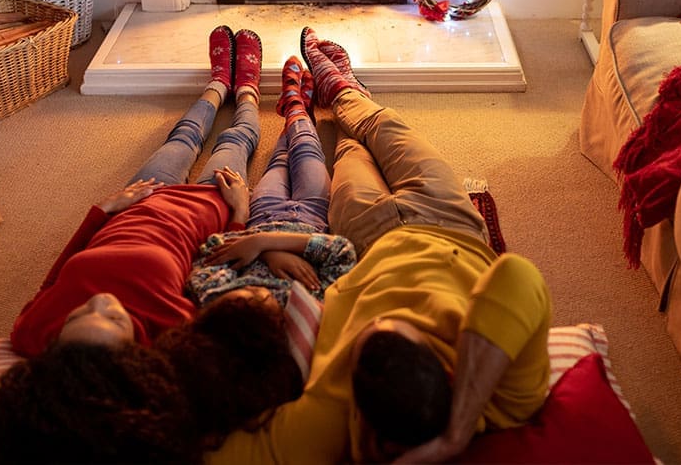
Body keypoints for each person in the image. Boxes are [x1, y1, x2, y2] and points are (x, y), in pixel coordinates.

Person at [0, 27, 347, 463]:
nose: (101, 301)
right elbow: (212, 269)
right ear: (136, 359)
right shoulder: (174, 327)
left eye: (82, 312)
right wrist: (238, 213)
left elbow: (60, 271)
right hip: (203, 209)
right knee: (236, 141)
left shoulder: (31, 334)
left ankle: (219, 83)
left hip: (134, 202)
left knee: (182, 138)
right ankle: (247, 95)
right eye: (112, 318)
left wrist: (102, 212)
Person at [206, 27, 553, 464]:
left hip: (368, 237)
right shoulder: (505, 390)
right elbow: (519, 276)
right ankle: (341, 83)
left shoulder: (332, 418)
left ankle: (338, 89)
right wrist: (457, 433)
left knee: (350, 147)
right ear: (448, 371)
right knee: (382, 124)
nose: (396, 310)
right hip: (450, 222)